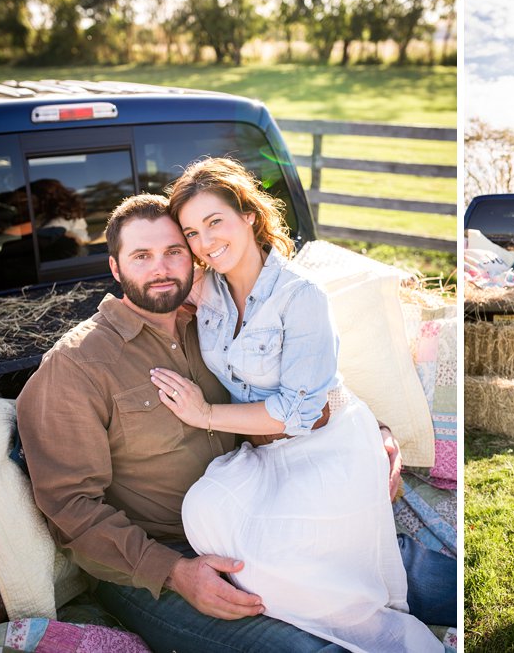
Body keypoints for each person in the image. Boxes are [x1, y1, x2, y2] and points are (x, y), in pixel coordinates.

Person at [16, 194, 450, 653]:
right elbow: (71, 510)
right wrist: (176, 574)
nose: (160, 267)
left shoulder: (214, 322)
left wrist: (375, 431)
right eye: (142, 256)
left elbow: (299, 384)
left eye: (174, 251)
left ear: (194, 257)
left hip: (269, 509)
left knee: (414, 574)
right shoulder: (75, 366)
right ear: (116, 267)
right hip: (165, 559)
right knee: (305, 649)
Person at [151, 156, 441, 652]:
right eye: (192, 232)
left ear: (249, 215)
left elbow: (299, 412)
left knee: (295, 557)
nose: (204, 242)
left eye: (214, 222)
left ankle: (371, 623)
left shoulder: (301, 297)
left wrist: (204, 415)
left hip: (327, 443)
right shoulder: (208, 289)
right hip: (266, 452)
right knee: (206, 513)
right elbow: (148, 276)